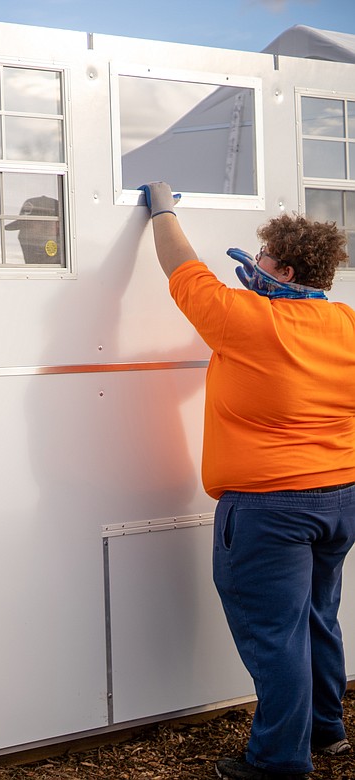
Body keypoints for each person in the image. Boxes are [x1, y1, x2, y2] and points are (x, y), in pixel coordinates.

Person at [139, 182, 355, 780]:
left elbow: (182, 266)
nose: (251, 267)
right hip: (341, 499)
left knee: (276, 635)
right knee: (317, 615)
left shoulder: (244, 319)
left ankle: (279, 760)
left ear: (283, 268)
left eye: (262, 259)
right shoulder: (345, 323)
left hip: (270, 510)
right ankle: (327, 731)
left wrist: (163, 207)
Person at [4, 195, 62, 265]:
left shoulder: (66, 264)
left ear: (56, 226)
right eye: (23, 228)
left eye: (29, 227)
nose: (25, 233)